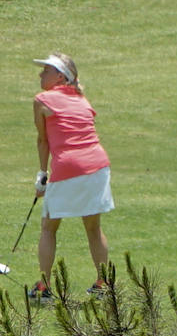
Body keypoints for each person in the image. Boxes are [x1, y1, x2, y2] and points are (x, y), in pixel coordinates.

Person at [28, 51, 113, 302]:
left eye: (46, 70)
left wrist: (42, 175)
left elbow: (44, 141)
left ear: (59, 76)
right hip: (97, 166)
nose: (40, 74)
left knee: (48, 227)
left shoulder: (42, 100)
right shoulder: (82, 98)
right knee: (93, 228)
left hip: (68, 167)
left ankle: (44, 286)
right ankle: (103, 283)